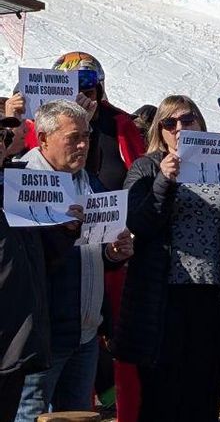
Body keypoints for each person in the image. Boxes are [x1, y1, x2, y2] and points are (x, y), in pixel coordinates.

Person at [117, 96, 220, 421]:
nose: (179, 128)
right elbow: (139, 223)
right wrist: (164, 182)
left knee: (204, 393)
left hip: (211, 295)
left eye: (187, 120)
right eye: (170, 123)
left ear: (200, 122)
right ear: (161, 130)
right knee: (161, 397)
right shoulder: (147, 166)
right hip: (163, 297)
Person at [17, 100, 134, 421]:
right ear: (43, 139)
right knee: (30, 415)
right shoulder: (21, 184)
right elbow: (21, 264)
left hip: (85, 334)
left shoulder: (89, 181)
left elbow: (93, 249)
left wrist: (113, 255)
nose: (83, 144)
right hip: (42, 339)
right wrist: (59, 234)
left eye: (86, 136)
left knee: (78, 416)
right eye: (73, 138)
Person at [0, 110, 80, 421]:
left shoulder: (16, 189)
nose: (1, 144)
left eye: (3, 137)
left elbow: (41, 258)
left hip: (17, 346)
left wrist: (65, 231)